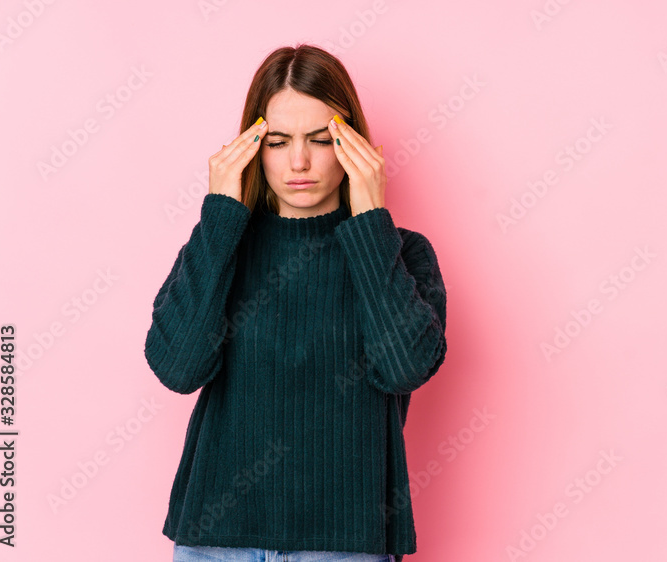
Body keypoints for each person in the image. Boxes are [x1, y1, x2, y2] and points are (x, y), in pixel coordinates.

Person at [143, 44, 448, 562]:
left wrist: (370, 222)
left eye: (321, 139)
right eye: (279, 142)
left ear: (353, 145)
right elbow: (177, 368)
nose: (299, 162)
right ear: (252, 147)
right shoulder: (222, 246)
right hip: (216, 544)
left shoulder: (401, 252)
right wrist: (219, 216)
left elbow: (404, 369)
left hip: (347, 545)